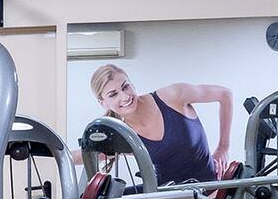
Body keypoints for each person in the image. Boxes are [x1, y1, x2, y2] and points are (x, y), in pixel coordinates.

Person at [89, 64, 237, 185]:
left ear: (132, 84)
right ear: (103, 103)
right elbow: (83, 154)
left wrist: (223, 147)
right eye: (113, 94)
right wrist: (64, 153)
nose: (125, 96)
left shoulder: (172, 96)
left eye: (125, 87)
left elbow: (225, 94)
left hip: (209, 190)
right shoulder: (124, 136)